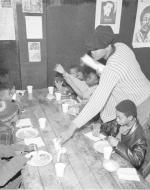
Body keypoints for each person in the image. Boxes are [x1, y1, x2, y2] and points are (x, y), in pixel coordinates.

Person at [60, 25, 150, 144]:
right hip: (137, 101)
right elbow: (114, 91)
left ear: (108, 46)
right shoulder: (121, 47)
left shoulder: (112, 67)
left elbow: (97, 101)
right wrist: (102, 120)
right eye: (91, 48)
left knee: (136, 151)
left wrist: (71, 128)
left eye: (96, 48)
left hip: (144, 106)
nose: (92, 52)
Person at [107, 100, 147, 169]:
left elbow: (137, 161)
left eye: (119, 117)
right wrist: (99, 126)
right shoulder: (122, 123)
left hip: (126, 169)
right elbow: (110, 131)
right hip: (115, 160)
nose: (116, 119)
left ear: (130, 118)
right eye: (116, 116)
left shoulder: (140, 136)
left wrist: (118, 144)